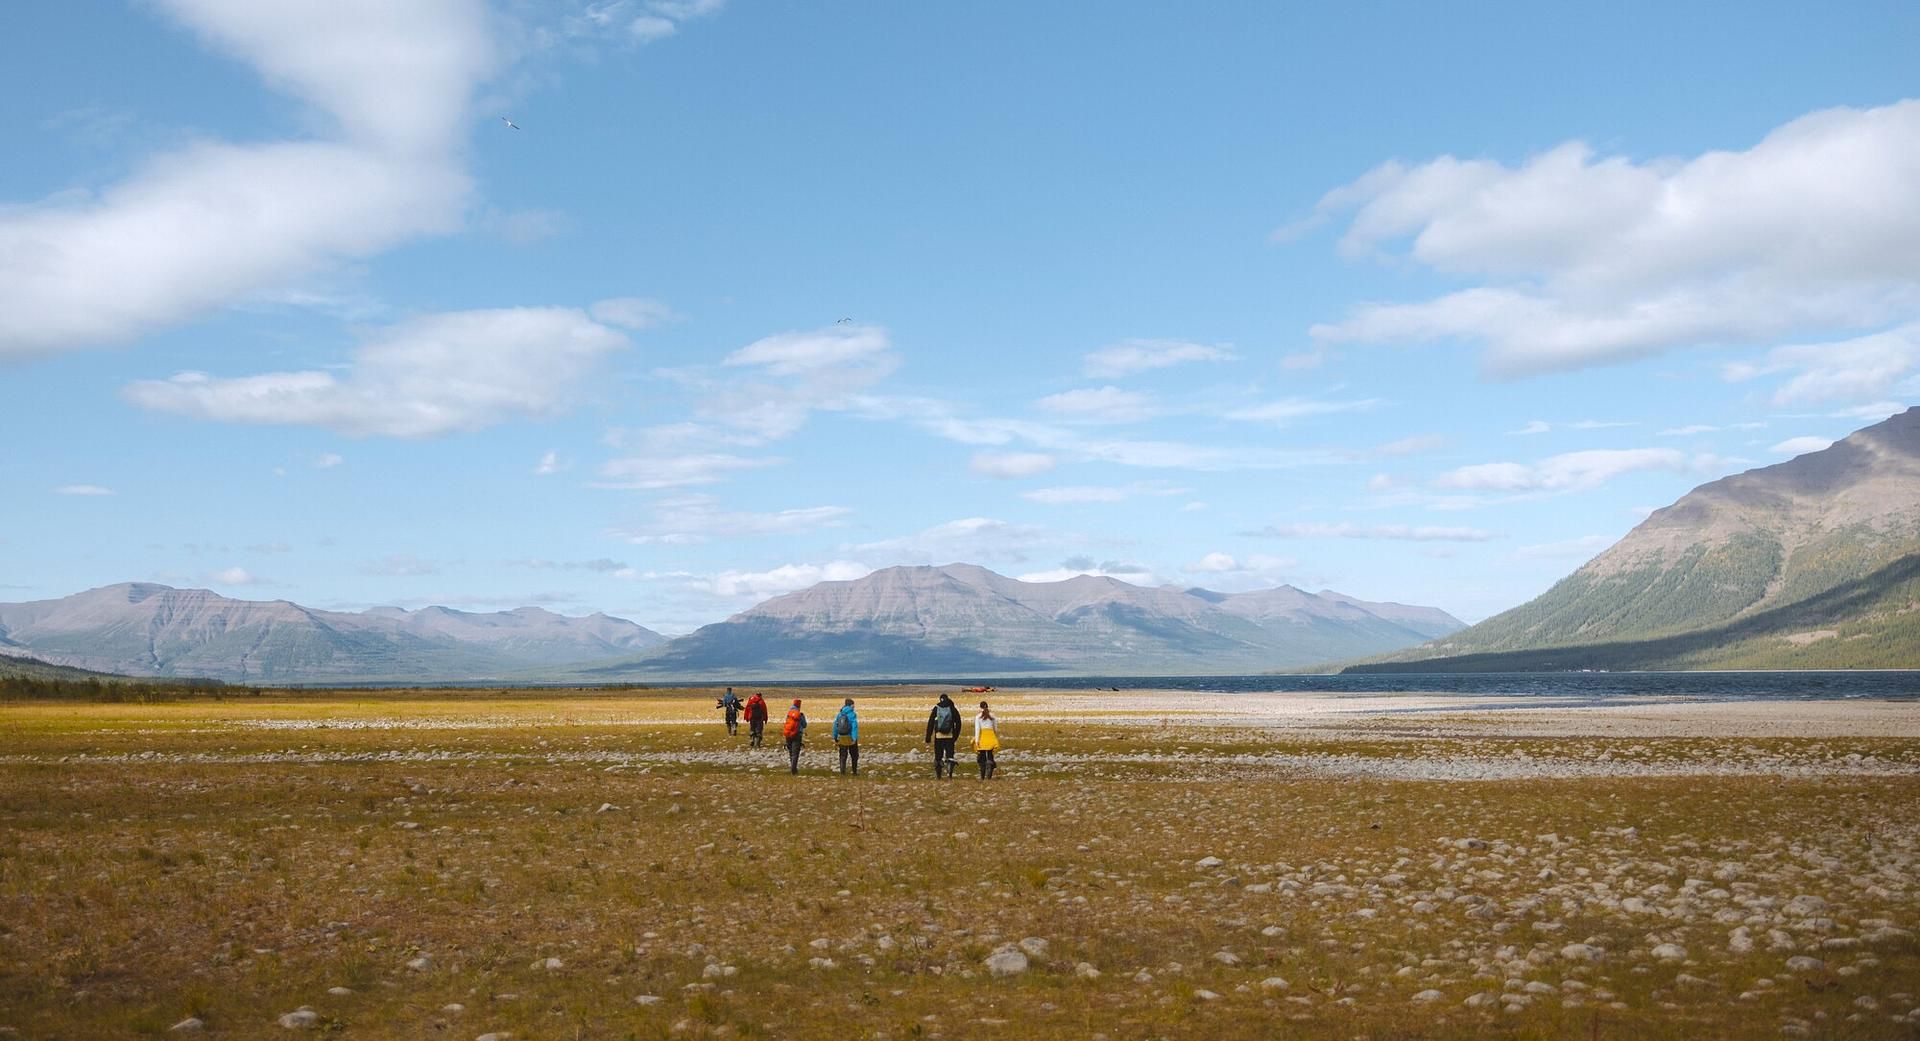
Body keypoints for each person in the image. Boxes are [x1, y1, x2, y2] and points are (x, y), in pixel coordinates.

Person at [924, 692, 962, 779]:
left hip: (938, 736)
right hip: (950, 736)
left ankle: (939, 776)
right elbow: (959, 723)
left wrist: (928, 736)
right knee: (950, 756)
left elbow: (931, 723)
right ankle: (950, 774)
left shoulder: (936, 708)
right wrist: (955, 736)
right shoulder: (952, 709)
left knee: (938, 756)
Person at [831, 698, 860, 776]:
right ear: (851, 705)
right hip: (850, 737)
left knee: (843, 755)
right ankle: (854, 772)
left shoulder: (839, 714)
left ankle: (842, 772)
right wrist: (854, 738)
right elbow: (854, 727)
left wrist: (835, 737)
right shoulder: (852, 714)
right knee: (854, 755)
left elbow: (835, 726)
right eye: (853, 705)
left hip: (841, 737)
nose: (854, 706)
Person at [973, 701, 1000, 780]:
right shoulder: (993, 716)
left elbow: (977, 729)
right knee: (990, 754)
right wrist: (994, 736)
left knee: (982, 757)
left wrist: (977, 740)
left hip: (982, 737)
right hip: (991, 736)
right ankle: (990, 773)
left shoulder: (978, 716)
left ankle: (982, 776)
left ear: (980, 707)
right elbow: (995, 728)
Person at [782, 698, 808, 775]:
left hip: (788, 734)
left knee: (791, 752)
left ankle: (793, 768)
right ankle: (793, 769)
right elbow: (804, 725)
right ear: (799, 705)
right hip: (797, 735)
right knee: (795, 753)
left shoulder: (789, 713)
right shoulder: (799, 714)